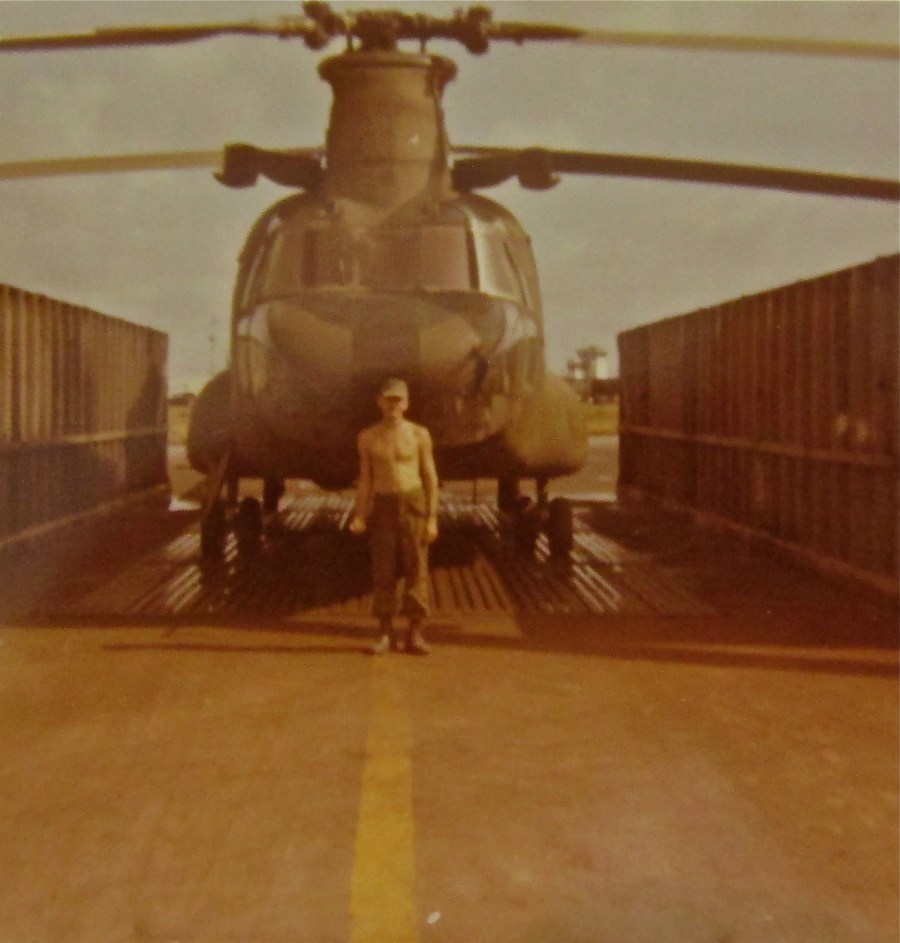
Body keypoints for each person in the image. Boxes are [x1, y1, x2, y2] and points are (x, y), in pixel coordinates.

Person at [349, 378, 439, 655]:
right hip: (384, 504)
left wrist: (432, 518)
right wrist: (360, 515)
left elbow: (430, 477)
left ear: (407, 403)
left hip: (413, 501)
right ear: (379, 402)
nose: (393, 405)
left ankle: (415, 633)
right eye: (388, 399)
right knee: (383, 570)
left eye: (398, 399)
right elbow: (365, 480)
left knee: (416, 568)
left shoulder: (419, 435)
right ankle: (386, 633)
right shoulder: (367, 437)